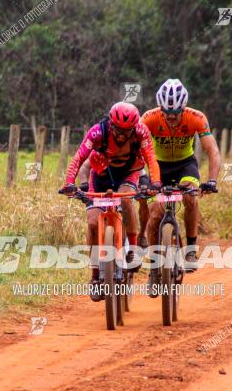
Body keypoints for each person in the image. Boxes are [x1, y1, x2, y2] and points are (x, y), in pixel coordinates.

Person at [59, 102, 161, 301]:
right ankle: (95, 274)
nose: (122, 136)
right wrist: (70, 183)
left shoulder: (140, 131)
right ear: (110, 123)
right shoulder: (97, 132)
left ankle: (131, 248)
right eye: (118, 130)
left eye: (127, 131)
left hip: (128, 173)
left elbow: (151, 158)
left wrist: (155, 182)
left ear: (134, 128)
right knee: (92, 222)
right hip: (101, 175)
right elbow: (79, 158)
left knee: (126, 201)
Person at [141, 78, 221, 277]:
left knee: (190, 197)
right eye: (166, 113)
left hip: (185, 165)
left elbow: (213, 151)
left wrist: (211, 180)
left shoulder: (196, 117)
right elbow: (135, 149)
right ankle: (153, 266)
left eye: (175, 114)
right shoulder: (149, 118)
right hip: (157, 168)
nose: (170, 118)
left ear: (183, 109)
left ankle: (191, 250)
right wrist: (140, 176)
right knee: (155, 214)